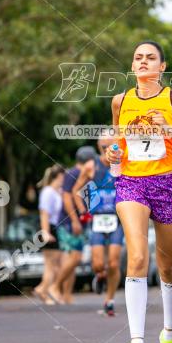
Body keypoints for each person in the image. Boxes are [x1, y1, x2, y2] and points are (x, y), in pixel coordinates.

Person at [106, 40, 172, 343]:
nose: (144, 62)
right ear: (132, 65)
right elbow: (117, 149)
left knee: (167, 267)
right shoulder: (120, 101)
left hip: (170, 183)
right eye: (138, 57)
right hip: (132, 183)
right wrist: (111, 157)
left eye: (151, 58)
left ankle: (169, 338)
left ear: (162, 67)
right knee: (136, 256)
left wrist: (171, 130)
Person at [72, 135, 122, 317]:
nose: (108, 149)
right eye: (104, 146)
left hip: (117, 219)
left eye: (111, 145)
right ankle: (100, 276)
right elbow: (77, 191)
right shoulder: (91, 167)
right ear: (99, 147)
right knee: (98, 264)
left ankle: (109, 300)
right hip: (98, 219)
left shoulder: (123, 164)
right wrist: (83, 212)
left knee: (114, 262)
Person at [49, 146, 97, 305]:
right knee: (74, 257)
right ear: (88, 161)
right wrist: (75, 220)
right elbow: (67, 198)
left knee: (73, 258)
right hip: (70, 222)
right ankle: (54, 287)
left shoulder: (82, 174)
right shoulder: (74, 174)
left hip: (77, 221)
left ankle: (66, 295)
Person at [33, 165, 66, 305]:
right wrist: (46, 232)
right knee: (50, 264)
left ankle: (45, 289)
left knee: (56, 264)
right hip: (49, 228)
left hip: (56, 228)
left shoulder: (56, 192)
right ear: (59, 176)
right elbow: (44, 213)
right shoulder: (47, 192)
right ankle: (43, 290)